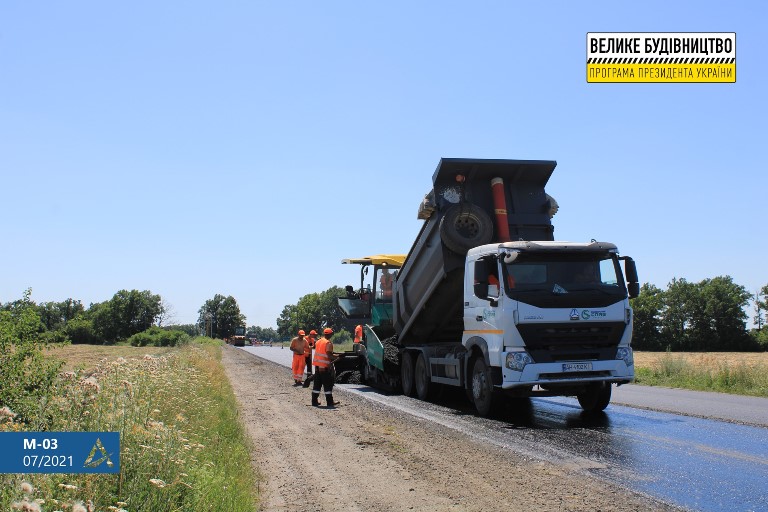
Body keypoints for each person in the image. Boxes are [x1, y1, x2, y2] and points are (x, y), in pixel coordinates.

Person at [311, 328, 339, 407]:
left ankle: (314, 402)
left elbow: (321, 352)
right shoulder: (328, 343)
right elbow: (329, 355)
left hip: (317, 367)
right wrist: (338, 357)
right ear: (330, 334)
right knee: (328, 386)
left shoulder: (318, 341)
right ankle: (330, 403)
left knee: (317, 385)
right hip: (324, 368)